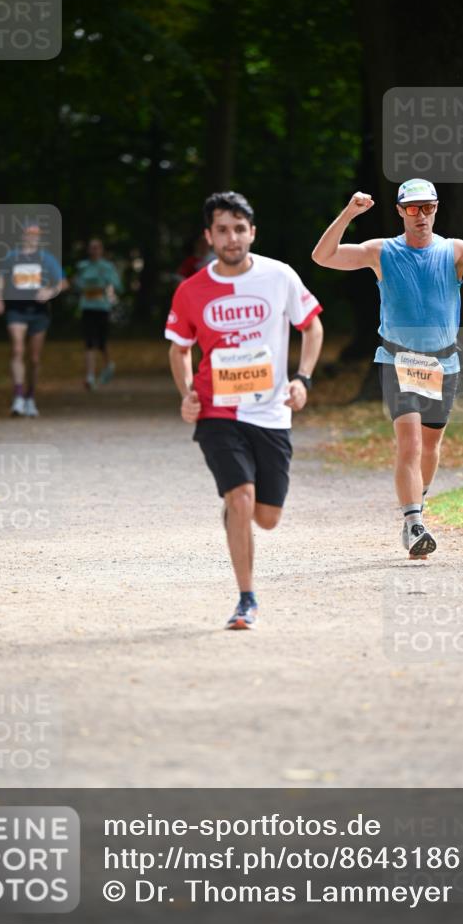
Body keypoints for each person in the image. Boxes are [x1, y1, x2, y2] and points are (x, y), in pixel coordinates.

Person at [312, 178, 463, 559]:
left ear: (436, 208)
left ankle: (416, 508)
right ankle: (414, 524)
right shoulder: (382, 251)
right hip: (399, 359)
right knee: (408, 443)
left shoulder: (454, 250)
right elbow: (323, 256)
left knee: (430, 446)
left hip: (444, 362)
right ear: (399, 211)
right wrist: (349, 213)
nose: (421, 215)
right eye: (412, 208)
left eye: (427, 207)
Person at [165, 191, 324, 629]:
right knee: (241, 496)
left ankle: (239, 511)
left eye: (239, 228)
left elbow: (311, 327)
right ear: (208, 236)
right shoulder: (191, 290)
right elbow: (179, 351)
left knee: (267, 518)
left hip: (271, 412)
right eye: (222, 230)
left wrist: (303, 378)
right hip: (218, 411)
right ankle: (246, 599)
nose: (231, 237)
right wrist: (186, 394)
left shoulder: (280, 277)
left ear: (252, 232)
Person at [0, 223, 67, 417]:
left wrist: (50, 291)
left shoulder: (46, 259)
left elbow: (63, 282)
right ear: (23, 236)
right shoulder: (12, 257)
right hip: (16, 310)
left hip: (39, 312)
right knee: (17, 349)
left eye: (36, 235)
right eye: (29, 234)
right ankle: (18, 397)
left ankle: (30, 397)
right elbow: (1, 278)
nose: (32, 237)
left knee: (34, 358)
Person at [73, 238, 122, 389]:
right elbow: (77, 285)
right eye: (92, 247)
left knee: (101, 342)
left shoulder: (107, 267)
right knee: (89, 342)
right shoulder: (82, 267)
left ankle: (108, 364)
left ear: (101, 250)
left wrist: (108, 282)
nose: (94, 250)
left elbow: (119, 286)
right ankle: (90, 376)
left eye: (97, 247)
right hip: (87, 308)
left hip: (102, 308)